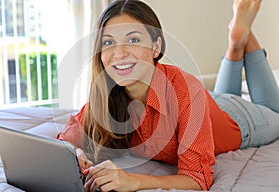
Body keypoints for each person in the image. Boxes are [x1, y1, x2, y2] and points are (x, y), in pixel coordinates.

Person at [57, 0, 279, 191]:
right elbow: (72, 133)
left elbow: (197, 178)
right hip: (208, 103)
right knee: (217, 96)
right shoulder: (107, 92)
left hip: (239, 120)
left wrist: (132, 181)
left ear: (156, 47)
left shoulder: (184, 89)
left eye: (133, 40)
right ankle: (237, 39)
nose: (119, 53)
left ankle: (239, 37)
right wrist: (74, 153)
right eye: (108, 42)